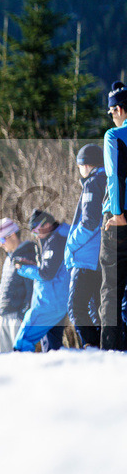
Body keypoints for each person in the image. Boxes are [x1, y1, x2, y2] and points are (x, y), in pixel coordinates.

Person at [11, 209, 70, 353]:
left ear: (46, 224)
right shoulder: (60, 236)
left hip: (49, 303)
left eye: (36, 231)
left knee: (22, 342)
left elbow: (46, 274)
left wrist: (23, 268)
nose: (36, 236)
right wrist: (33, 265)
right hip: (58, 302)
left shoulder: (55, 240)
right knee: (52, 348)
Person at [64, 144, 106, 347]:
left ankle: (92, 347)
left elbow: (89, 223)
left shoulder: (92, 182)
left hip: (86, 259)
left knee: (76, 308)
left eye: (79, 166)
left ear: (86, 165)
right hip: (102, 258)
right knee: (97, 309)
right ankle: (104, 347)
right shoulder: (109, 180)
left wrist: (70, 245)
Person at [100, 81, 127, 351]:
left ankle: (111, 352)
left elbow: (114, 175)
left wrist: (117, 213)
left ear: (118, 109)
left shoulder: (114, 136)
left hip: (119, 219)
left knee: (111, 288)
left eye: (111, 113)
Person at [0, 217, 35, 353]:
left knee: (20, 357)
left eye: (2, 240)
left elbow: (31, 288)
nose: (1, 245)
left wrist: (23, 315)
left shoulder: (26, 256)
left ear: (12, 235)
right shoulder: (9, 258)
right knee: (5, 359)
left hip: (16, 318)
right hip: (4, 315)